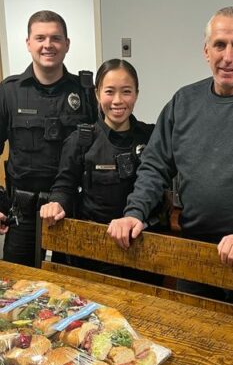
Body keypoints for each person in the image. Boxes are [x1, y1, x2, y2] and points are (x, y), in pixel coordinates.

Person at [107, 6, 233, 304]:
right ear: (206, 51)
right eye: (219, 45)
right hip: (195, 250)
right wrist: (135, 212)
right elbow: (155, 166)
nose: (228, 56)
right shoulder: (183, 101)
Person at [0, 10, 98, 266]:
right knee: (18, 286)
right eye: (40, 37)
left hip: (70, 209)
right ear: (28, 43)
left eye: (55, 38)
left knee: (74, 288)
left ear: (66, 44)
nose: (48, 45)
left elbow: (98, 149)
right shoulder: (7, 93)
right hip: (24, 212)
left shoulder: (85, 94)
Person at [39, 58, 160, 282]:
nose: (117, 101)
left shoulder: (151, 137)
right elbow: (64, 185)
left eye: (126, 91)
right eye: (109, 91)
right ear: (97, 94)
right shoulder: (80, 140)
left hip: (143, 247)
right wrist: (57, 202)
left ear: (136, 93)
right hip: (95, 249)